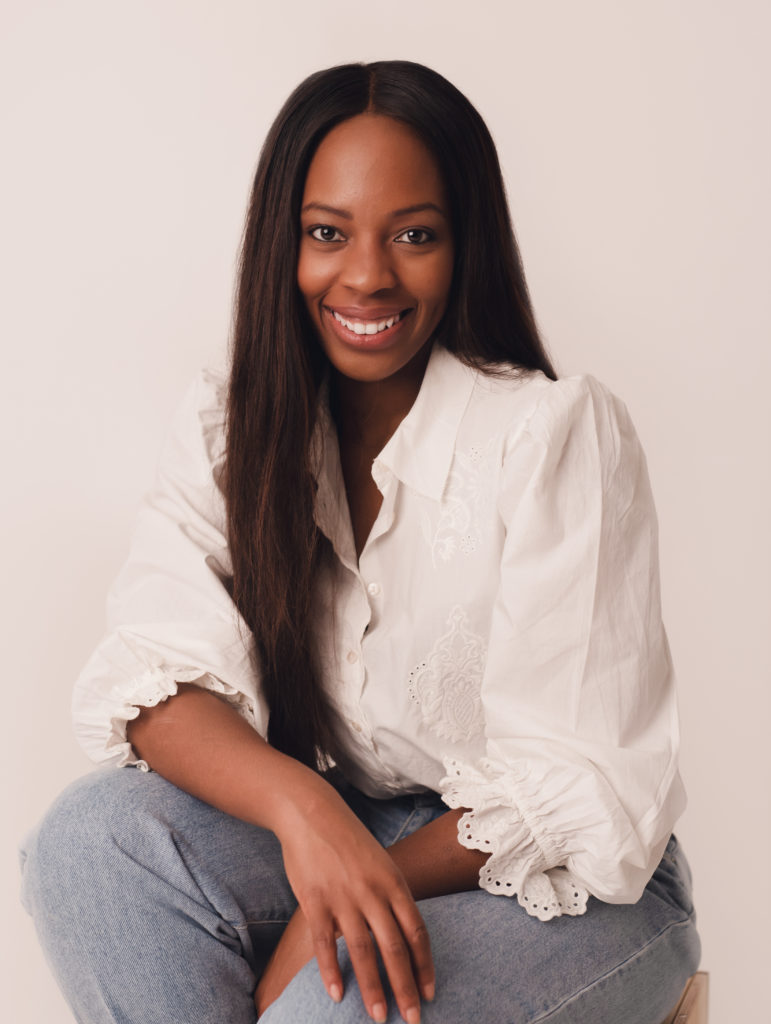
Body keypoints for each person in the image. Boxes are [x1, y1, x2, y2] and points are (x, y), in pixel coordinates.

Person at [20, 61, 700, 1024]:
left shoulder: (551, 436)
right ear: (283, 243)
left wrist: (329, 909)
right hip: (352, 817)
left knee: (338, 1007)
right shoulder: (231, 428)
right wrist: (308, 816)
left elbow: (576, 779)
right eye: (326, 233)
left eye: (414, 235)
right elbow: (158, 674)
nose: (368, 275)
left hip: (569, 884)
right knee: (90, 845)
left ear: (464, 246)